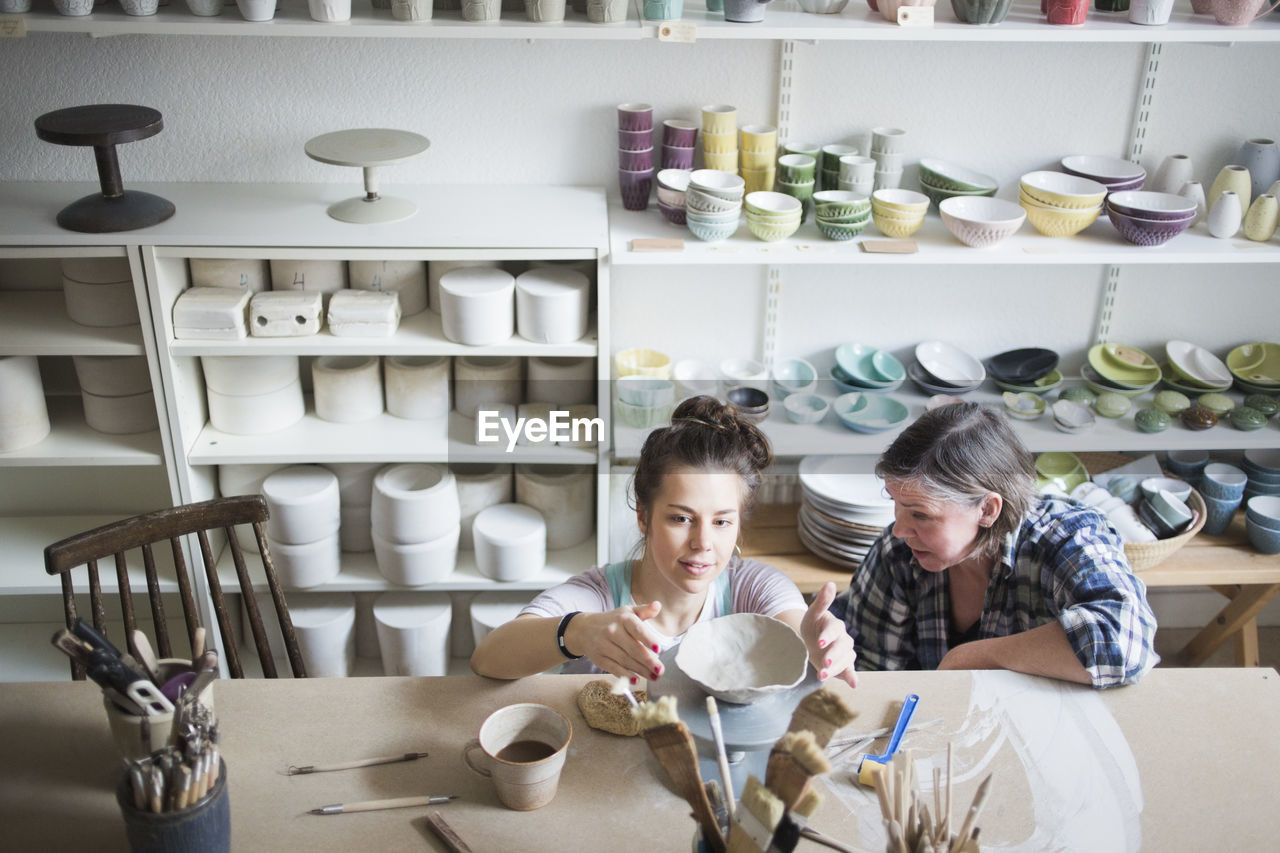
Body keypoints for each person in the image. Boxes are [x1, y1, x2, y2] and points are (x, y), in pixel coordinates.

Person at [472, 395, 858, 687]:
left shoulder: (754, 588)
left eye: (722, 521)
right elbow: (488, 658)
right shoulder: (599, 597)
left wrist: (813, 642)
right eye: (681, 518)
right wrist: (577, 631)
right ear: (644, 517)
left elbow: (795, 627)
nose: (703, 542)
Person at [831, 401, 1158, 688]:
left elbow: (1124, 643)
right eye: (896, 503)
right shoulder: (898, 552)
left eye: (921, 514)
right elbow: (870, 674)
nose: (899, 529)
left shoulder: (1067, 535)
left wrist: (970, 657)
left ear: (987, 509)